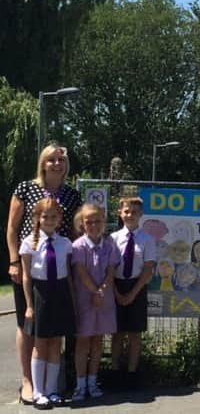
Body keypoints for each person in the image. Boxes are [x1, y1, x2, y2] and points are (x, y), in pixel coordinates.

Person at [5, 143, 82, 405]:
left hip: (59, 271)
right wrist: (14, 261)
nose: (57, 164)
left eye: (61, 159)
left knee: (54, 332)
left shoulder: (72, 195)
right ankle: (28, 382)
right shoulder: (26, 188)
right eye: (52, 159)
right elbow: (12, 229)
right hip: (30, 268)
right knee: (28, 326)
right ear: (43, 163)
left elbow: (75, 232)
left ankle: (50, 386)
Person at [19, 198, 75, 409]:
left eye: (53, 217)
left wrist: (72, 301)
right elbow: (26, 276)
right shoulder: (28, 243)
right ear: (37, 218)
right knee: (40, 343)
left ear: (59, 219)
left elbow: (68, 274)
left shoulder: (65, 244)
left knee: (55, 342)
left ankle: (52, 390)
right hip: (40, 293)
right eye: (45, 216)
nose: (49, 220)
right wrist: (29, 305)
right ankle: (38, 391)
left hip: (60, 293)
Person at [70, 204, 119, 401]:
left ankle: (92, 381)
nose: (93, 225)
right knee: (83, 341)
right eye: (88, 222)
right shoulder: (78, 246)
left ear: (103, 222)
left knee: (98, 340)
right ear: (82, 224)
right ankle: (80, 385)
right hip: (85, 300)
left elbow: (111, 271)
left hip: (104, 300)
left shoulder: (110, 245)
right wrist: (94, 291)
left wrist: (102, 291)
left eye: (97, 221)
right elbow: (81, 271)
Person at [110, 197, 157, 388]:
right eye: (126, 211)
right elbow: (109, 269)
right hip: (117, 287)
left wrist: (132, 294)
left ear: (141, 215)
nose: (130, 215)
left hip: (137, 287)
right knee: (117, 333)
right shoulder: (113, 239)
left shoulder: (147, 240)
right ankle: (114, 371)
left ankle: (132, 373)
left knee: (135, 333)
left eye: (134, 212)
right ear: (120, 213)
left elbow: (147, 269)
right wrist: (115, 292)